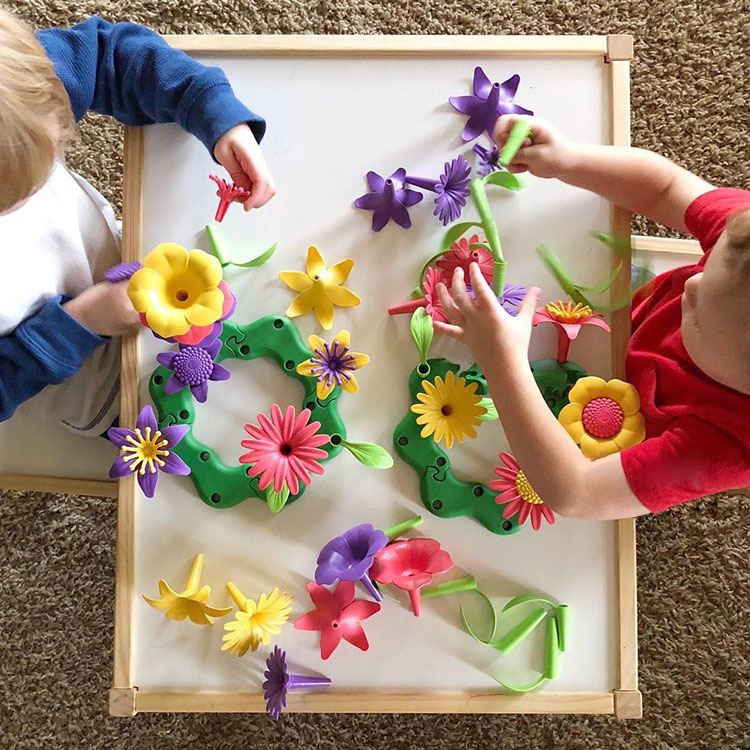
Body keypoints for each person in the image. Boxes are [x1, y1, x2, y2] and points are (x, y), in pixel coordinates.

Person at [435, 114, 750, 520]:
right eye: (706, 269)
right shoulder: (743, 242)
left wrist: (502, 361)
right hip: (619, 337)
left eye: (701, 318)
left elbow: (578, 493)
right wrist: (570, 160)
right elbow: (665, 187)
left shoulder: (730, 443)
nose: (690, 285)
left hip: (622, 430)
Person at [0, 12, 275, 435]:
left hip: (123, 254)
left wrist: (214, 113)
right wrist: (83, 322)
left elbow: (112, 55)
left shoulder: (17, 86)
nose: (32, 195)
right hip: (96, 389)